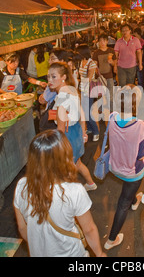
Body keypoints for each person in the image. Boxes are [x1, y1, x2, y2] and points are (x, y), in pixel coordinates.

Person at [13, 129, 106, 257]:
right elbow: (89, 230)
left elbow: (23, 229)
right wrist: (99, 254)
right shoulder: (74, 191)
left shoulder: (21, 186)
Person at [104, 84, 144, 250]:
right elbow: (141, 155)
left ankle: (134, 200)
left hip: (115, 167)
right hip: (131, 172)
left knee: (129, 193)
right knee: (123, 202)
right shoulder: (140, 125)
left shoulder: (112, 117)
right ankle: (111, 240)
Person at [48, 62, 97, 191]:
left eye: (54, 77)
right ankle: (91, 184)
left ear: (63, 77)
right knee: (78, 163)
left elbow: (61, 129)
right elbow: (82, 114)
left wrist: (58, 146)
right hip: (76, 132)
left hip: (67, 136)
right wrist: (83, 132)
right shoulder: (72, 90)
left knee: (67, 171)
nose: (50, 80)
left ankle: (73, 197)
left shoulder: (61, 99)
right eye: (48, 77)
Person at [76, 44, 100, 142]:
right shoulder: (81, 62)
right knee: (85, 111)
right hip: (82, 89)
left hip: (89, 90)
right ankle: (90, 128)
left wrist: (79, 79)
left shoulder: (91, 63)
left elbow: (89, 78)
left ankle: (96, 131)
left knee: (88, 112)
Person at [92, 34, 117, 108]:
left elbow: (114, 63)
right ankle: (101, 111)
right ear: (98, 42)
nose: (102, 43)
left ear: (107, 41)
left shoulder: (111, 51)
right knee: (100, 95)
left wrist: (111, 62)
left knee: (111, 94)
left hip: (109, 76)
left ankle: (112, 111)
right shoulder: (96, 53)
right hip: (100, 77)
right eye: (100, 41)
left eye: (104, 41)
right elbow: (95, 65)